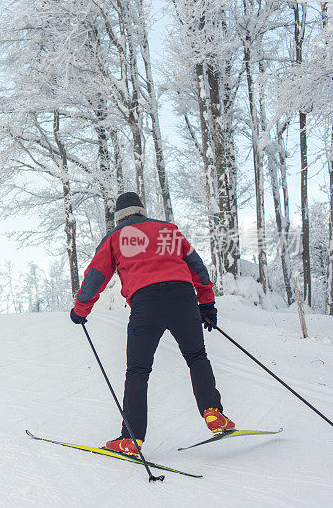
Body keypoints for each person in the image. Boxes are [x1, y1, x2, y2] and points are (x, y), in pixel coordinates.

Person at [69, 191, 234, 456]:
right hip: (183, 297)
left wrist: (81, 309)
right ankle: (214, 413)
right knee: (196, 356)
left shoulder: (115, 238)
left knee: (138, 371)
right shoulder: (167, 230)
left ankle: (131, 439)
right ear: (142, 211)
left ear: (119, 217)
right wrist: (207, 304)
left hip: (146, 304)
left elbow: (95, 275)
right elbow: (197, 267)